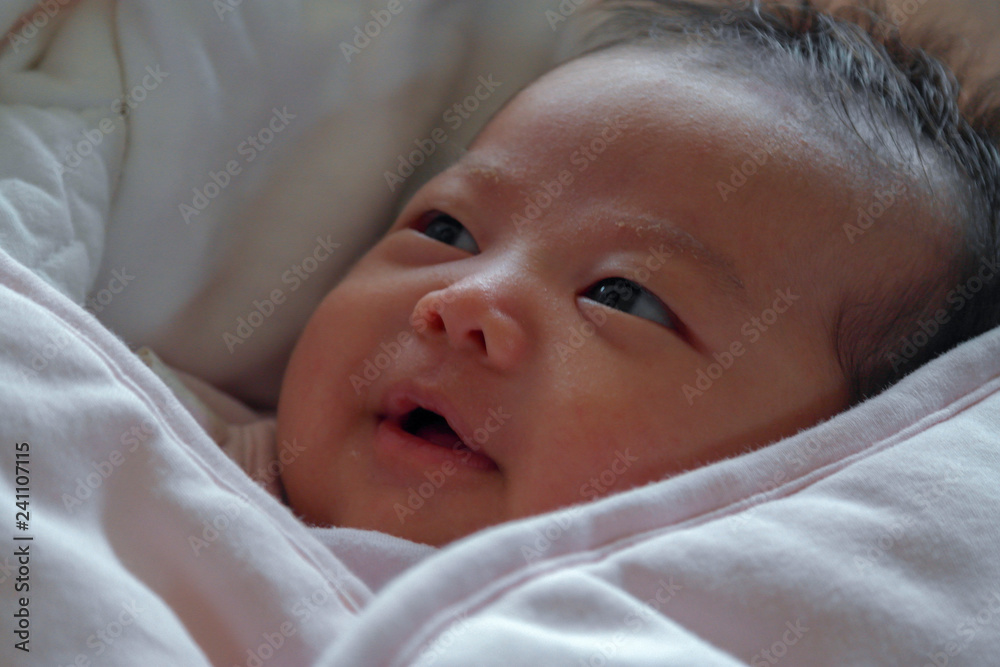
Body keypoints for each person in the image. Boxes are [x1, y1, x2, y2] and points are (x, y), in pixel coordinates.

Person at [153, 0, 1000, 547]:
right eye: (448, 229)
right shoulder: (153, 440)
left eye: (621, 296)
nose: (464, 300)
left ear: (829, 459)